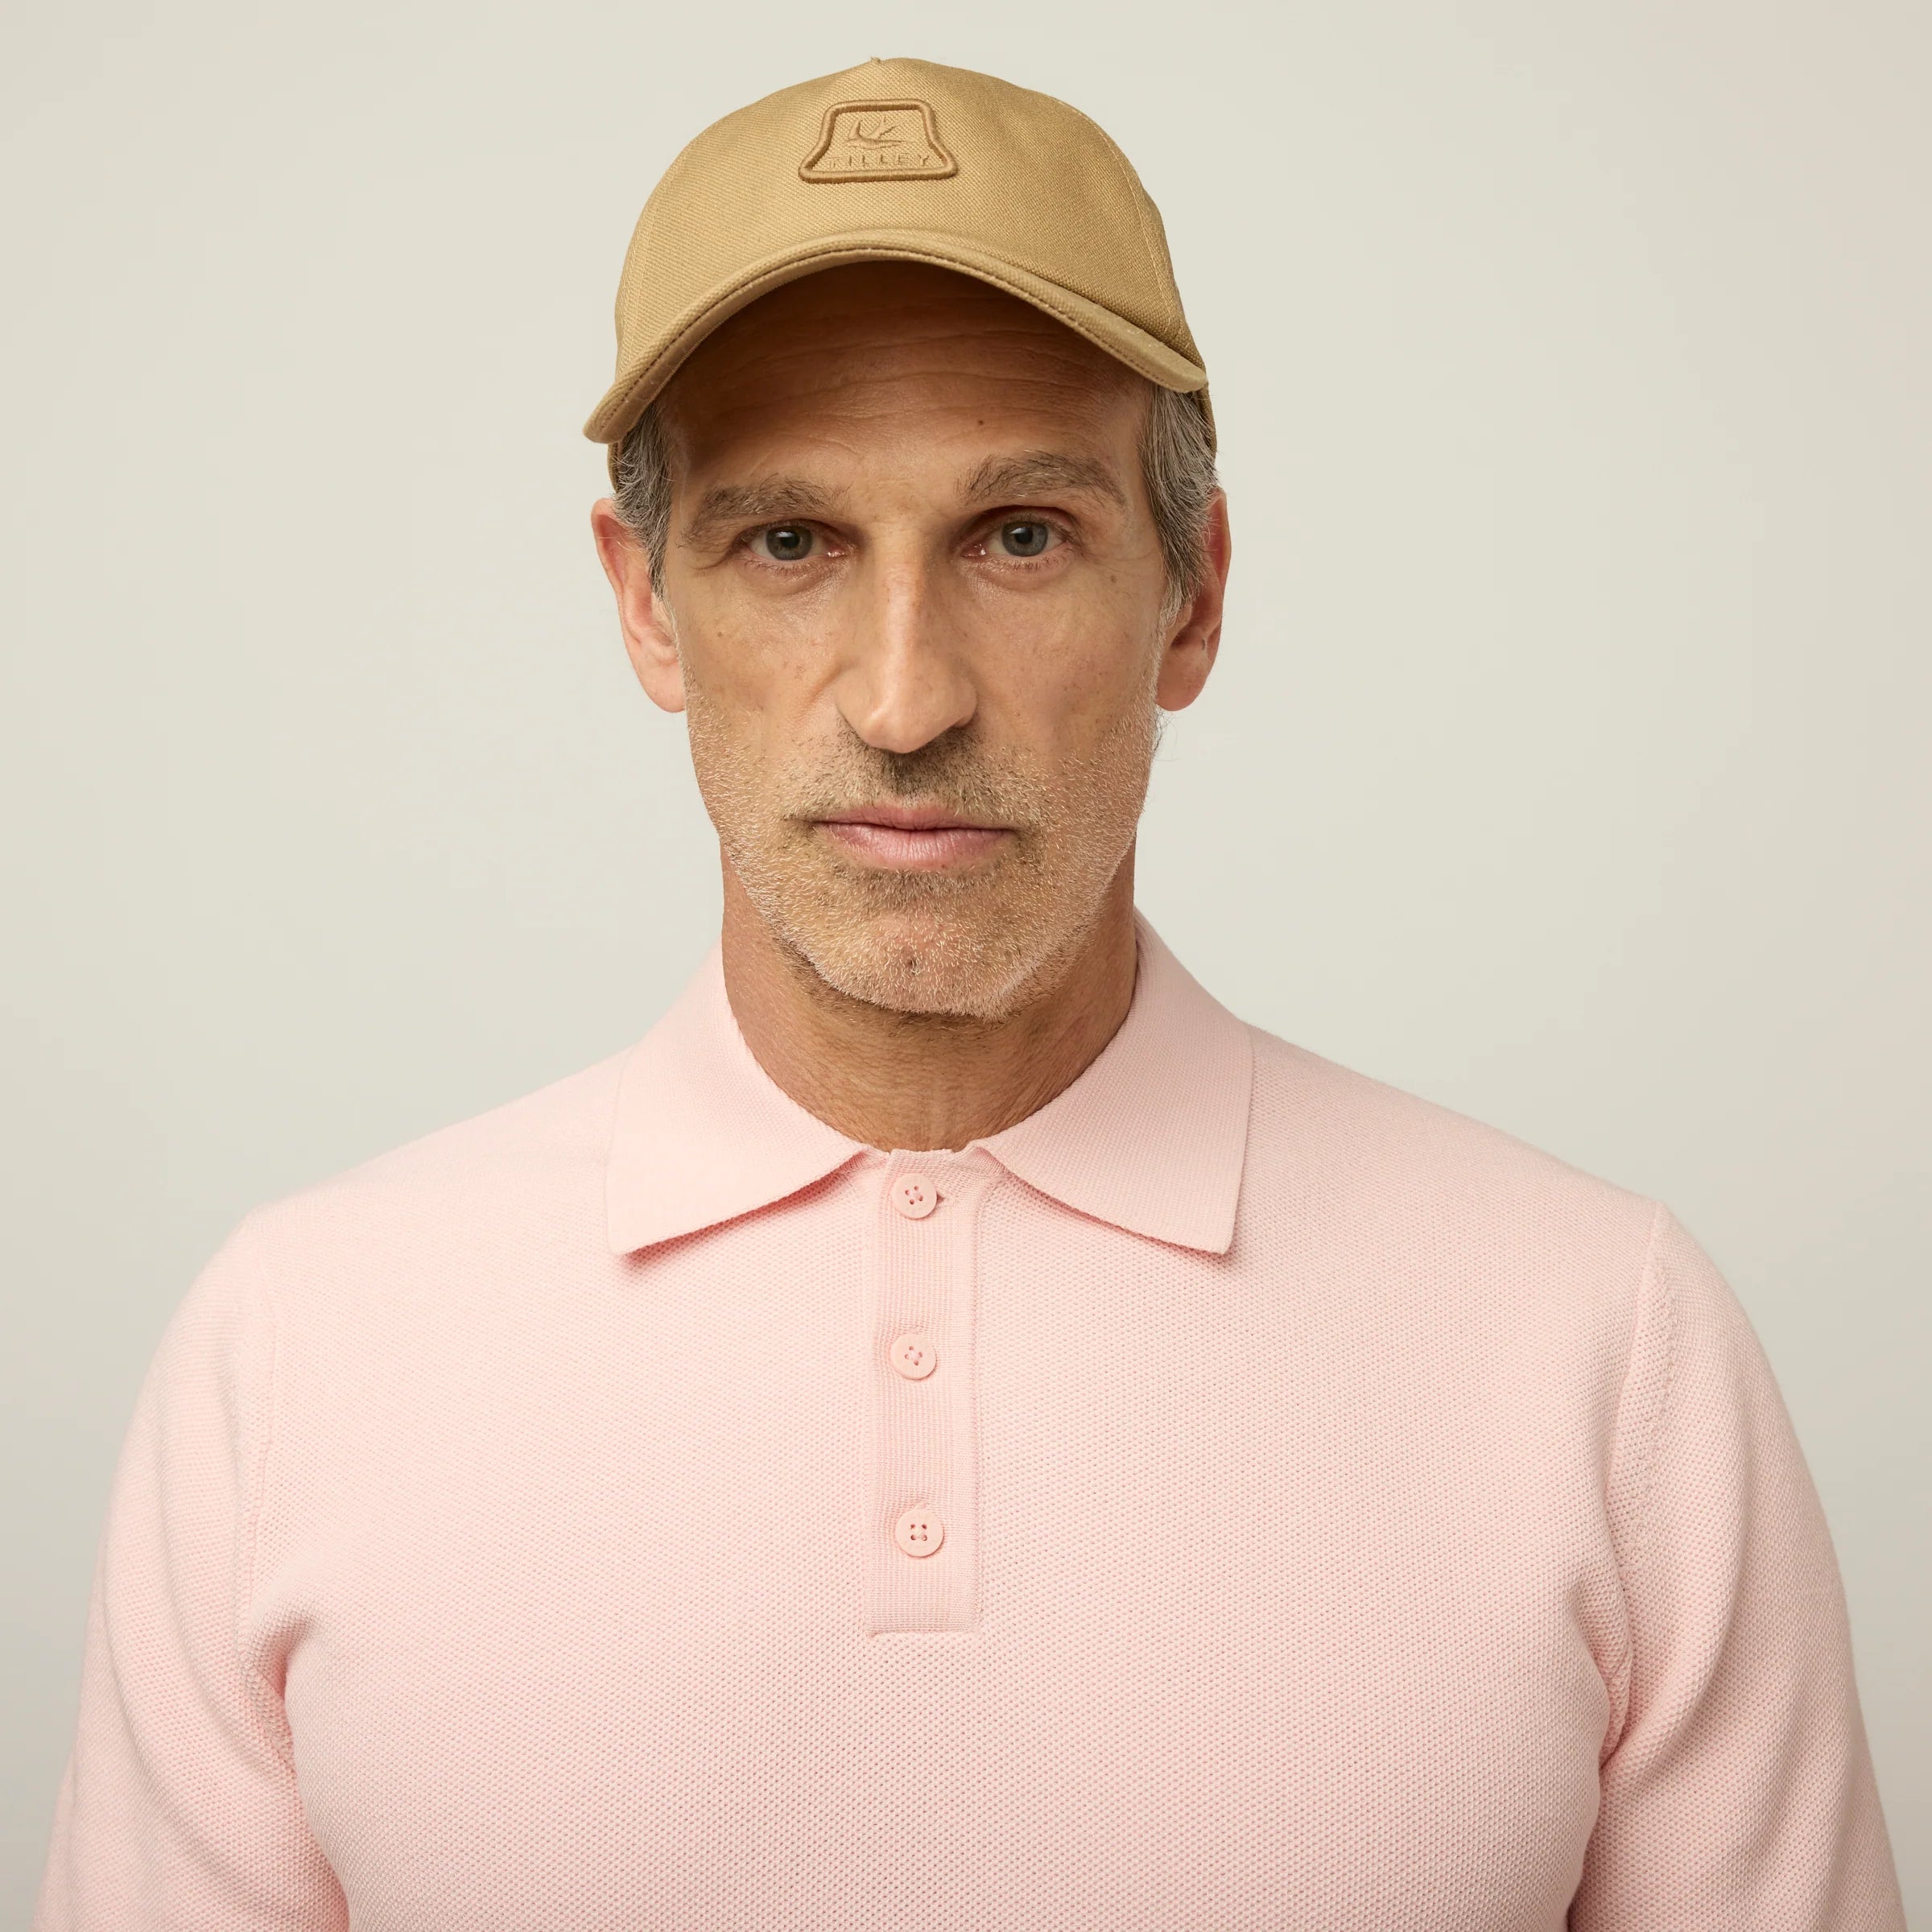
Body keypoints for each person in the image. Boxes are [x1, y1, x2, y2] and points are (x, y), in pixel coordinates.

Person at [34, 55, 1906, 1932]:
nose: (905, 698)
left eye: (1020, 537)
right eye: (790, 545)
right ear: (646, 602)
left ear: (1193, 595)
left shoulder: (1602, 1345)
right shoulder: (297, 1352)